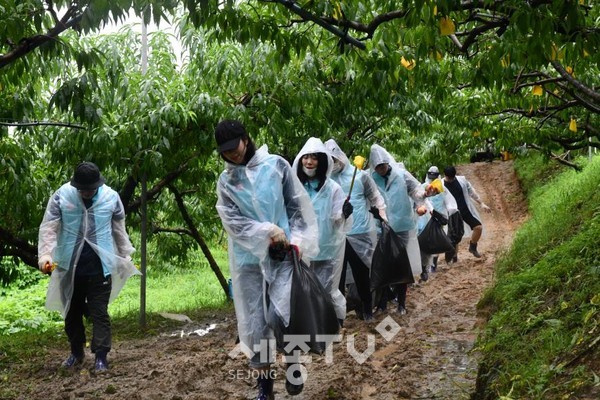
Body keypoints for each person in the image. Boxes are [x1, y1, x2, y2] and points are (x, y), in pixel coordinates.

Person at [214, 120, 319, 400]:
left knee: (284, 316)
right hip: (248, 260)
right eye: (224, 151)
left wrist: (295, 241)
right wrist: (265, 231)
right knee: (256, 324)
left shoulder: (276, 166)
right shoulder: (226, 182)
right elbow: (233, 222)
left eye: (233, 146)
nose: (231, 154)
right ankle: (265, 388)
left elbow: (297, 207)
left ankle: (293, 364)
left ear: (245, 139)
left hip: (283, 256)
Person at [37, 162, 139, 372]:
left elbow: (119, 229)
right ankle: (76, 352)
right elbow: (49, 226)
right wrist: (46, 255)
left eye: (90, 189)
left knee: (99, 312)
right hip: (68, 266)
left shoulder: (111, 197)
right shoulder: (61, 196)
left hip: (100, 266)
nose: (86, 193)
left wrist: (124, 256)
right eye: (82, 189)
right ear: (75, 186)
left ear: (98, 185)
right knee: (71, 313)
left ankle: (101, 356)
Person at [369, 145, 438, 314]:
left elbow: (416, 191)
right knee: (383, 265)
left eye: (383, 165)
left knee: (401, 264)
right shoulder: (369, 178)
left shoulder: (401, 175)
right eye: (377, 166)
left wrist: (426, 194)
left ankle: (402, 303)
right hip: (381, 227)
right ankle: (383, 303)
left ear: (387, 162)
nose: (381, 169)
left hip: (401, 226)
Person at [292, 137, 353, 328]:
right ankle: (315, 324)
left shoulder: (333, 188)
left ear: (322, 162)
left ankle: (336, 322)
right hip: (304, 250)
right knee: (308, 289)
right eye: (305, 157)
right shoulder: (295, 188)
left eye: (314, 158)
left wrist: (344, 212)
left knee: (328, 288)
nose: (309, 162)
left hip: (328, 247)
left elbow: (337, 219)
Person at [324, 139, 387, 322]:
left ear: (341, 158)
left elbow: (375, 196)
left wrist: (381, 213)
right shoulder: (326, 180)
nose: (333, 164)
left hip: (359, 233)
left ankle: (367, 309)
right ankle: (339, 317)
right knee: (338, 277)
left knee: (361, 275)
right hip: (337, 235)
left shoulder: (359, 176)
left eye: (335, 159)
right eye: (330, 160)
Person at [442, 165, 491, 258]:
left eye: (453, 178)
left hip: (465, 209)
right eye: (449, 178)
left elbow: (471, 192)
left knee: (478, 227)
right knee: (454, 236)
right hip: (452, 213)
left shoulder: (462, 180)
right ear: (445, 175)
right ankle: (454, 256)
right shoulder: (440, 185)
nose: (451, 180)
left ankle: (472, 246)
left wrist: (482, 203)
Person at [420, 166, 458, 272]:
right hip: (427, 217)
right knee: (429, 241)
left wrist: (451, 212)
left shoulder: (442, 188)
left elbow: (448, 202)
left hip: (438, 217)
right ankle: (428, 265)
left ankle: (433, 264)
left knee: (436, 240)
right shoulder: (423, 187)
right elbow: (421, 200)